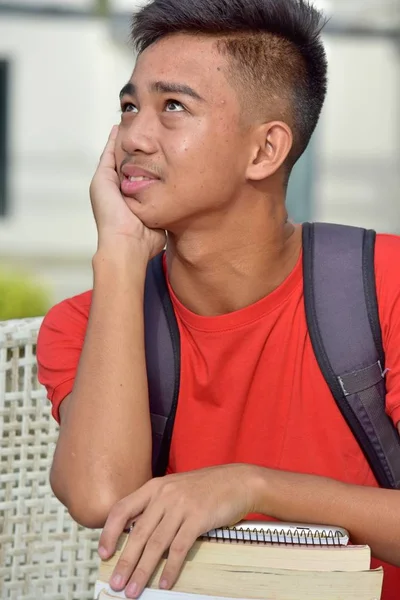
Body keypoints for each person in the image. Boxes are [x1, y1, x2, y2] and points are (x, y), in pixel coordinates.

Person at [36, 0, 400, 599]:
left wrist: (254, 488)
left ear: (265, 151)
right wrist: (121, 259)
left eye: (172, 107)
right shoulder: (85, 321)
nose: (133, 137)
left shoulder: (383, 286)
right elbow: (101, 497)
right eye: (129, 107)